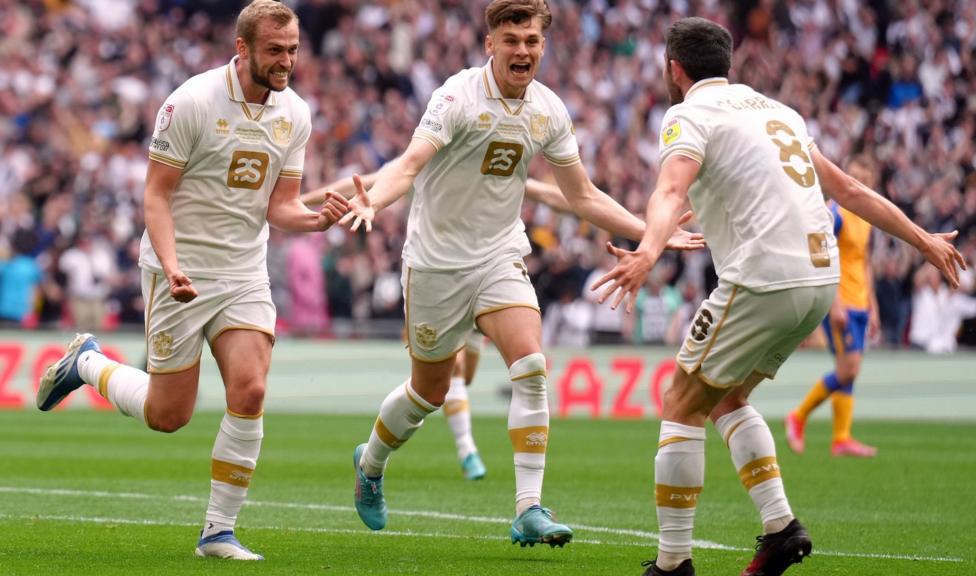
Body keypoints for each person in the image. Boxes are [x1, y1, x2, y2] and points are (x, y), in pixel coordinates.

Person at [591, 18, 964, 576]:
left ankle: (672, 564)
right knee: (726, 398)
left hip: (762, 279)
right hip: (819, 281)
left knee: (680, 402)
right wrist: (924, 240)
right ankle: (781, 529)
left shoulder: (688, 113)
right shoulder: (777, 111)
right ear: (728, 64)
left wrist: (647, 251)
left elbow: (669, 188)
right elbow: (851, 190)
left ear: (675, 69)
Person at [339, 0, 703, 547]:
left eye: (532, 40)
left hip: (498, 255)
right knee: (428, 392)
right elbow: (409, 165)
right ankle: (369, 464)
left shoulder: (548, 110)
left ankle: (528, 507)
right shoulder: (455, 96)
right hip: (436, 263)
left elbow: (580, 195)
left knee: (531, 365)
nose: (523, 50)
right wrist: (377, 202)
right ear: (490, 43)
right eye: (512, 40)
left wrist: (649, 232)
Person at [35, 0, 347, 561]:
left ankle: (217, 532)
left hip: (244, 271)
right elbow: (155, 195)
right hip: (178, 270)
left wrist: (318, 218)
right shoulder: (191, 102)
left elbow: (282, 206)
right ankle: (86, 362)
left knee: (250, 390)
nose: (287, 61)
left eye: (293, 50)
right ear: (243, 48)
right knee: (168, 416)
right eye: (275, 50)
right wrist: (174, 265)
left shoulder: (295, 113)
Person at [302, 170, 573, 482]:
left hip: (487, 272)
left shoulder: (492, 152)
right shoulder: (429, 145)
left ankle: (399, 455)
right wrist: (304, 201)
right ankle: (467, 450)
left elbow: (550, 193)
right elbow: (370, 179)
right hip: (437, 275)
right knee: (445, 379)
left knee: (465, 375)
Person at [785, 156, 882, 458]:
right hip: (840, 302)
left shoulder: (866, 216)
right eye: (852, 176)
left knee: (850, 371)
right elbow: (819, 255)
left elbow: (864, 262)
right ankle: (798, 416)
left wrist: (873, 305)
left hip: (861, 303)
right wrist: (834, 302)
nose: (856, 183)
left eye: (862, 178)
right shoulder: (834, 213)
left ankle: (841, 438)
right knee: (848, 368)